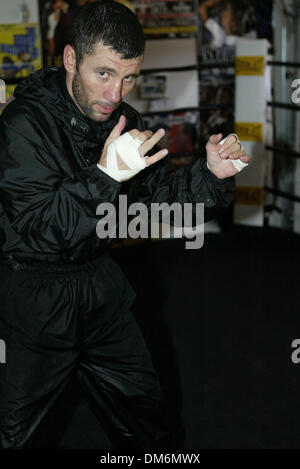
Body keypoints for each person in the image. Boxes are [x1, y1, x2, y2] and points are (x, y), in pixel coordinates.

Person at [0, 0, 249, 449]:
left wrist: (208, 177)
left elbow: (153, 208)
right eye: (104, 73)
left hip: (100, 290)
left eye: (128, 77)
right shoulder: (23, 126)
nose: (116, 94)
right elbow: (41, 229)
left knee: (147, 420)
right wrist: (104, 177)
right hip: (32, 299)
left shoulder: (122, 119)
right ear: (71, 59)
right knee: (13, 435)